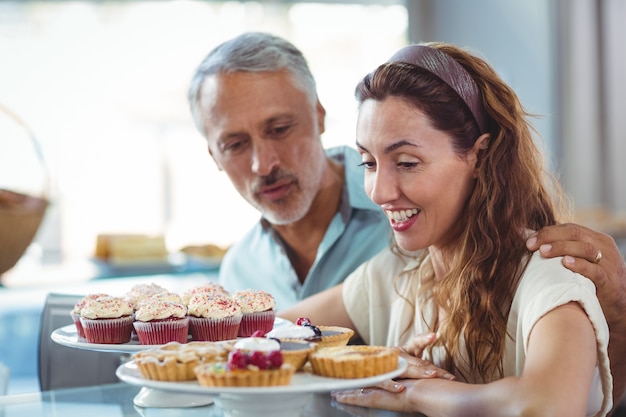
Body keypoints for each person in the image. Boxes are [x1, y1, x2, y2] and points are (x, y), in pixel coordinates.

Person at [280, 42, 615, 416]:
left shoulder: (548, 276)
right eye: (368, 163)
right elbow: (272, 335)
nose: (379, 192)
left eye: (406, 163)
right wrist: (373, 362)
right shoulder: (397, 273)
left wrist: (413, 393)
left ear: (479, 156)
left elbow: (548, 407)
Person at [187, 32, 391, 310]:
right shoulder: (238, 273)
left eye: (279, 129)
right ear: (215, 157)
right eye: (235, 145)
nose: (263, 165)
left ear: (318, 115)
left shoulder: (404, 215)